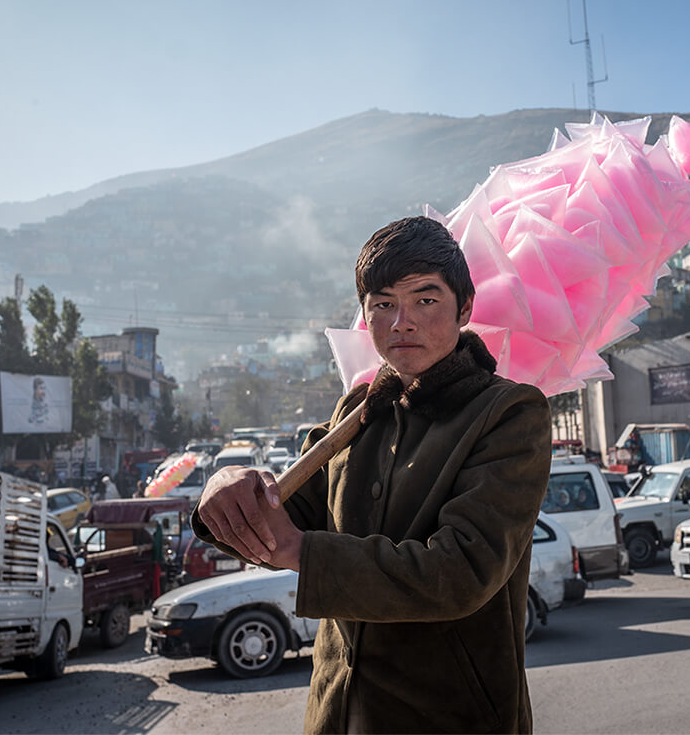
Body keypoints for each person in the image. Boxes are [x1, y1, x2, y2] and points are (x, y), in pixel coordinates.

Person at [193, 216, 552, 734]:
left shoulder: (509, 413)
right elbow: (274, 524)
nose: (401, 321)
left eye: (425, 300)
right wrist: (226, 491)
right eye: (383, 303)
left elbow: (460, 573)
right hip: (336, 716)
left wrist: (304, 552)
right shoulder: (356, 413)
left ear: (465, 308)